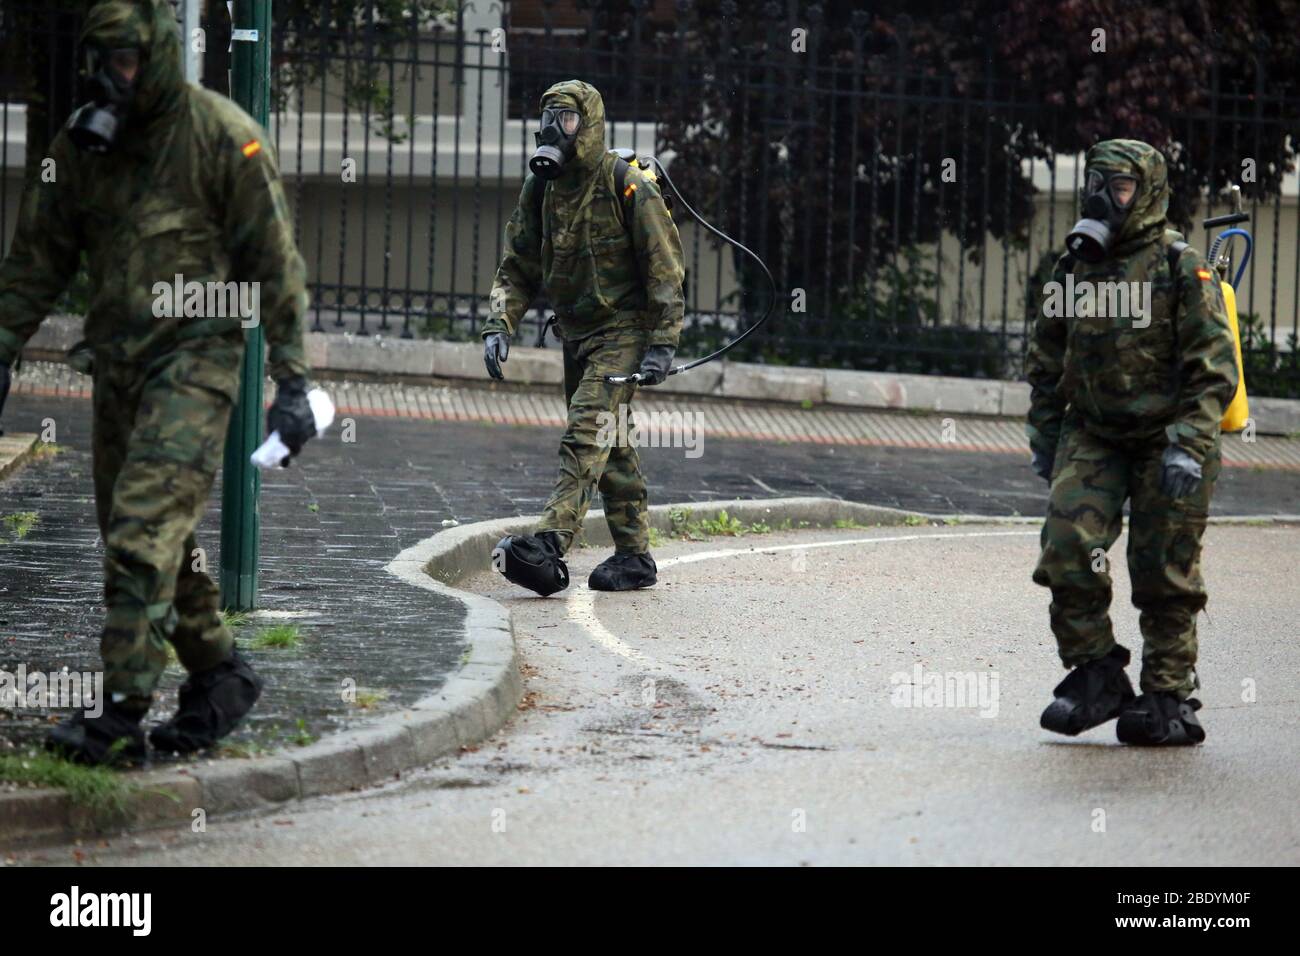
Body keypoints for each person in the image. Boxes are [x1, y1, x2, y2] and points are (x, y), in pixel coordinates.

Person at [0, 0, 317, 764]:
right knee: (144, 537)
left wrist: (293, 380)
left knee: (142, 531)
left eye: (131, 62)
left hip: (197, 364)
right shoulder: (86, 145)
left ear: (160, 56)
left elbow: (276, 264)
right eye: (106, 63)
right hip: (117, 365)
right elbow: (39, 258)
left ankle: (119, 717)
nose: (119, 78)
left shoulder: (222, 137)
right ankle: (218, 675)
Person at [1027, 138, 1239, 746]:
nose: (1104, 198)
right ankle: (1096, 676)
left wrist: (1189, 444)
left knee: (1163, 570)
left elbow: (1213, 368)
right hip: (1094, 431)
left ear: (1145, 192)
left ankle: (1169, 697)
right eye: (1096, 184)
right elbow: (1045, 357)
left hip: (1168, 437)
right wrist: (1046, 437)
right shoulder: (1075, 266)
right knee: (1068, 549)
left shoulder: (1180, 266)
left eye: (1117, 187)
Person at [483, 79, 685, 597]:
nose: (556, 130)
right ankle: (635, 556)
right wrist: (500, 323)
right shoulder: (542, 187)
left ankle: (550, 543)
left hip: (623, 329)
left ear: (589, 124)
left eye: (567, 120)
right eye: (549, 118)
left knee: (586, 428)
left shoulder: (625, 183)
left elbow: (664, 267)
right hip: (576, 332)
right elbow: (519, 263)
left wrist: (663, 342)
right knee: (612, 438)